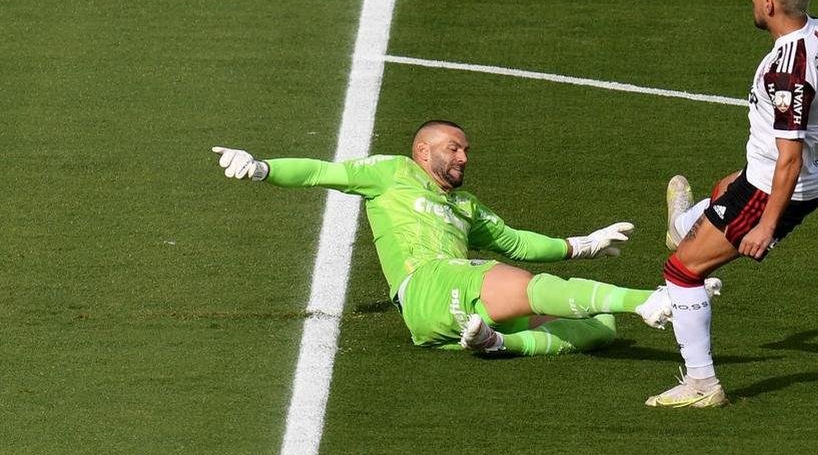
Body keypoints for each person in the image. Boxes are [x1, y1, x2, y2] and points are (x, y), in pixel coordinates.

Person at [212, 120, 717, 356]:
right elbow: (320, 171)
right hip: (424, 284)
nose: (463, 158)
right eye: (454, 149)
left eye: (466, 151)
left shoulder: (467, 206)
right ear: (422, 149)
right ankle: (651, 300)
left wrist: (581, 244)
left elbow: (516, 241)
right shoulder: (389, 173)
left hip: (450, 308)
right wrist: (261, 168)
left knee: (601, 328)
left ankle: (501, 344)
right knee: (517, 281)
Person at [645, 0, 818, 408]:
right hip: (788, 174)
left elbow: (787, 160)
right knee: (728, 186)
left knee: (683, 272)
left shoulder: (785, 71)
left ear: (769, 4)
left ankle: (701, 384)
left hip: (776, 188)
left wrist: (766, 226)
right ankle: (683, 225)